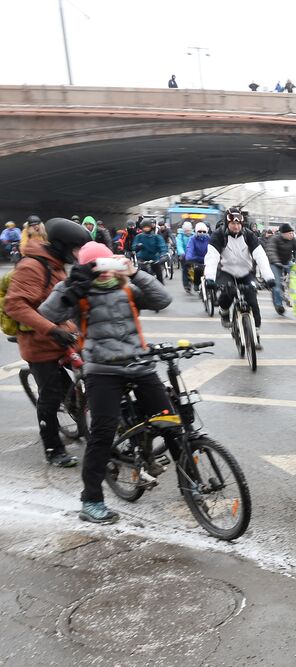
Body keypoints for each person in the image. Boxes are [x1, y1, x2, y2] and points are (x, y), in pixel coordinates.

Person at [39, 242, 174, 525]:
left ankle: (189, 480)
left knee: (171, 421)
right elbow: (48, 315)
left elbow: (162, 300)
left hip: (139, 364)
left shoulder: (127, 287)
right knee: (102, 433)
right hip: (103, 371)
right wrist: (71, 286)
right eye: (95, 266)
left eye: (106, 264)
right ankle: (91, 501)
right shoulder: (80, 291)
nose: (103, 272)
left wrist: (136, 272)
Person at [4, 217, 89, 468]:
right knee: (50, 396)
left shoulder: (57, 264)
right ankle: (53, 448)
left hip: (64, 335)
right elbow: (15, 305)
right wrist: (51, 330)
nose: (77, 254)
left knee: (90, 374)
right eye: (75, 248)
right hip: (39, 341)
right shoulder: (32, 266)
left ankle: (81, 412)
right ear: (62, 245)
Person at [204, 209, 273, 346]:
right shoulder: (218, 236)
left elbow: (261, 256)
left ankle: (255, 333)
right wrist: (209, 278)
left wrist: (269, 278)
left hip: (246, 272)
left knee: (252, 301)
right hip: (226, 271)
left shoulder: (249, 235)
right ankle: (224, 312)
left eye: (239, 224)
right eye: (232, 224)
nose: (236, 227)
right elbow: (212, 257)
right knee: (227, 292)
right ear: (226, 223)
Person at [268, 223, 296, 314]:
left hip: (287, 262)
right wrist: (276, 261)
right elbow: (271, 251)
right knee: (276, 285)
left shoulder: (293, 240)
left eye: (292, 233)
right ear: (283, 233)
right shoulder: (274, 239)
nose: (291, 235)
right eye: (289, 233)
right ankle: (278, 305)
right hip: (275, 263)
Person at [183, 222, 211, 290]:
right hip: (196, 259)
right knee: (194, 268)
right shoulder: (192, 239)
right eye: (199, 231)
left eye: (204, 231)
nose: (202, 233)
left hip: (208, 258)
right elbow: (190, 248)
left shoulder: (210, 239)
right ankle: (190, 284)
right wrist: (188, 258)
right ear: (196, 231)